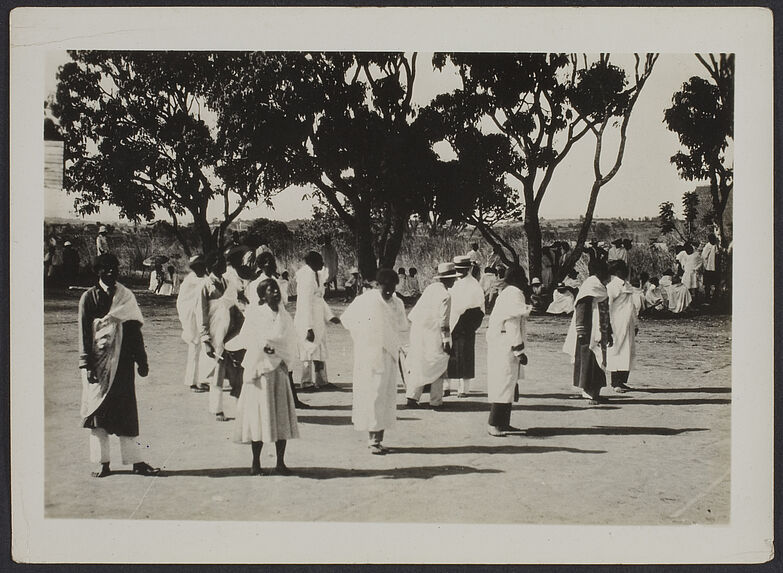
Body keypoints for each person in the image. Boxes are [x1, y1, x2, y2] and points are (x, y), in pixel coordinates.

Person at [78, 253, 159, 478]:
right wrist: (87, 364)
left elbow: (134, 331)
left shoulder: (126, 296)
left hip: (123, 364)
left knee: (126, 411)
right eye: (106, 268)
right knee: (97, 412)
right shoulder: (89, 298)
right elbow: (85, 333)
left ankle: (136, 461)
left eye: (114, 267)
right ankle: (101, 463)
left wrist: (142, 360)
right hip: (98, 364)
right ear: (98, 272)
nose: (112, 272)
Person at [225, 279, 300, 475]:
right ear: (262, 295)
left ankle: (280, 463)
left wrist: (283, 357)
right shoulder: (256, 314)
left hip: (279, 369)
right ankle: (255, 463)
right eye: (271, 289)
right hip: (260, 369)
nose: (275, 292)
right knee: (258, 415)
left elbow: (291, 340)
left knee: (281, 415)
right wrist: (262, 345)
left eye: (276, 289)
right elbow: (248, 337)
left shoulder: (285, 316)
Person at [341, 269, 408, 454]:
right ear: (376, 285)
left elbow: (401, 325)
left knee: (386, 396)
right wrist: (365, 336)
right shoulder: (365, 300)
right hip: (370, 355)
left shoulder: (397, 302)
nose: (389, 291)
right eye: (385, 287)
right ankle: (372, 439)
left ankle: (379, 439)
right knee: (373, 395)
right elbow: (347, 320)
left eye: (393, 287)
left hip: (389, 354)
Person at [247, 252, 309, 409]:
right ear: (260, 265)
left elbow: (284, 301)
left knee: (287, 361)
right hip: (267, 325)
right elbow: (256, 308)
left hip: (282, 321)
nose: (271, 264)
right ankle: (281, 402)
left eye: (272, 261)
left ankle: (292, 399)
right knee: (271, 364)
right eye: (267, 262)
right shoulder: (255, 284)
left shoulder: (276, 281)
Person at [404, 262, 459, 409]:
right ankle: (436, 400)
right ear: (447, 279)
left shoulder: (430, 289)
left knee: (420, 363)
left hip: (419, 332)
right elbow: (444, 322)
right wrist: (447, 342)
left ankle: (412, 396)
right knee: (439, 364)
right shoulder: (446, 295)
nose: (455, 280)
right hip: (433, 334)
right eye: (453, 278)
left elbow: (415, 314)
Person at [486, 265, 531, 437]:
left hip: (501, 343)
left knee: (508, 383)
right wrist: (519, 350)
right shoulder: (514, 293)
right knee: (504, 383)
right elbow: (511, 324)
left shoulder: (507, 292)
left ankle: (503, 423)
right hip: (506, 344)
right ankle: (494, 424)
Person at [196, 252, 242, 421]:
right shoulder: (205, 286)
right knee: (218, 370)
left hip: (230, 332)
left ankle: (240, 408)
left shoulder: (228, 282)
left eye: (223, 262)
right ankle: (217, 409)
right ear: (211, 266)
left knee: (236, 370)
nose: (223, 265)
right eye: (219, 263)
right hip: (215, 333)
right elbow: (201, 314)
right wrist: (205, 340)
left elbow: (234, 307)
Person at [562, 259, 612, 405]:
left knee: (598, 361)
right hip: (588, 330)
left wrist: (608, 331)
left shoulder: (600, 286)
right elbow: (581, 308)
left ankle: (595, 392)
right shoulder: (591, 285)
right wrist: (581, 331)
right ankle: (589, 393)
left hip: (598, 329)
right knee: (589, 360)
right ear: (599, 272)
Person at [295, 251, 341, 391]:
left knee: (320, 348)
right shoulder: (305, 276)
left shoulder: (317, 275)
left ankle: (322, 380)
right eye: (320, 261)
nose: (322, 263)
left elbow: (319, 299)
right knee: (308, 349)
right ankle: (307, 382)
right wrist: (308, 327)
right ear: (311, 262)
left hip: (318, 318)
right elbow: (305, 302)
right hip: (306, 318)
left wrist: (330, 316)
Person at [445, 255, 486, 398]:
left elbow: (480, 309)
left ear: (469, 269)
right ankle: (446, 386)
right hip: (450, 321)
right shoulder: (453, 283)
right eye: (457, 269)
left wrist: (469, 325)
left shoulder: (474, 285)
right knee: (448, 353)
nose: (460, 272)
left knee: (465, 355)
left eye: (462, 270)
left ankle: (464, 389)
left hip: (466, 323)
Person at [177, 254, 209, 392]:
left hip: (203, 318)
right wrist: (189, 319)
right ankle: (192, 382)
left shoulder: (206, 279)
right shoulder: (190, 281)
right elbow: (182, 302)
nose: (201, 268)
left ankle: (202, 379)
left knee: (205, 351)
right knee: (194, 350)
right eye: (198, 266)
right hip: (193, 319)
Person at [605, 261, 637, 394]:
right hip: (616, 323)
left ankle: (623, 381)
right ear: (617, 271)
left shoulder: (627, 285)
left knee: (627, 351)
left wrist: (635, 324)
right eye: (623, 269)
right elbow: (607, 306)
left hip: (628, 322)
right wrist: (608, 325)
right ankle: (615, 382)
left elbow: (632, 307)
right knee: (616, 350)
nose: (626, 272)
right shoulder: (612, 286)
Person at [701, 234, 719, 301]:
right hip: (708, 268)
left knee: (715, 283)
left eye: (714, 239)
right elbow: (704, 256)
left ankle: (715, 297)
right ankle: (707, 297)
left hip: (715, 267)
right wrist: (705, 266)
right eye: (712, 239)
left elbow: (717, 253)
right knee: (707, 283)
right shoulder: (707, 246)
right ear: (709, 239)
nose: (713, 240)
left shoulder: (715, 245)